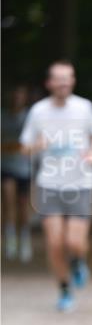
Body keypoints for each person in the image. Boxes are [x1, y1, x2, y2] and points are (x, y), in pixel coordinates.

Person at [20, 61, 92, 311]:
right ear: (49, 83)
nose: (63, 82)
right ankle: (65, 290)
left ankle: (78, 260)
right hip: (49, 184)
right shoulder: (38, 111)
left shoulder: (85, 107)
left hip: (80, 182)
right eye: (58, 78)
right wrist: (37, 145)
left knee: (74, 242)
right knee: (55, 244)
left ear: (73, 81)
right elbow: (25, 147)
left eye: (68, 77)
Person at [1, 85, 33, 262]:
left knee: (22, 206)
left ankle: (25, 240)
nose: (17, 98)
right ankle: (10, 240)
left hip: (24, 169)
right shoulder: (2, 116)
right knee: (8, 201)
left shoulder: (30, 116)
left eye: (20, 95)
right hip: (5, 166)